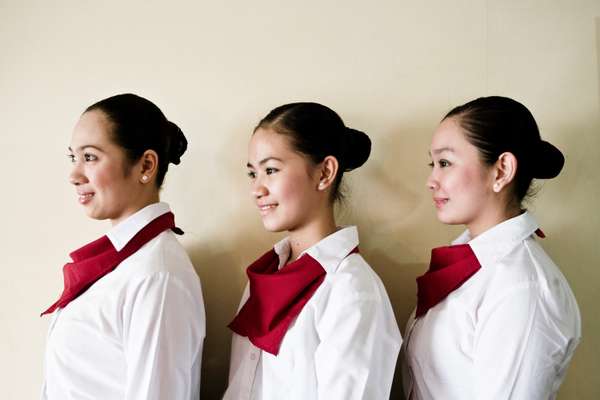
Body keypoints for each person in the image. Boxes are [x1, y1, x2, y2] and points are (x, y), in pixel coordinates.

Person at [401, 96, 581, 399]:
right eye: (433, 164)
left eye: (445, 163)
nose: (431, 180)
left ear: (501, 171)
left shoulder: (521, 288)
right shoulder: (472, 266)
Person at [223, 102, 402, 400]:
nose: (257, 188)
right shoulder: (265, 275)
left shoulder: (352, 290)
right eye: (252, 173)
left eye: (271, 170)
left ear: (325, 172)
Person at [40, 93, 205, 400]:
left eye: (90, 157)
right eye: (72, 158)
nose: (74, 175)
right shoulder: (126, 266)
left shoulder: (158, 275)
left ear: (146, 165)